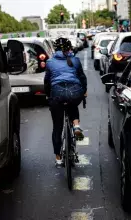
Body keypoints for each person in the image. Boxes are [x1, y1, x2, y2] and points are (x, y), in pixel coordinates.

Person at [44, 38, 87, 167]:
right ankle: (76, 125)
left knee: (57, 127)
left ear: (55, 49)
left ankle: (58, 158)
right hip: (75, 92)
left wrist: (48, 95)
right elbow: (82, 77)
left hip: (57, 94)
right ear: (70, 49)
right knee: (72, 103)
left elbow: (47, 81)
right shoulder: (75, 60)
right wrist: (84, 91)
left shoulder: (50, 62)